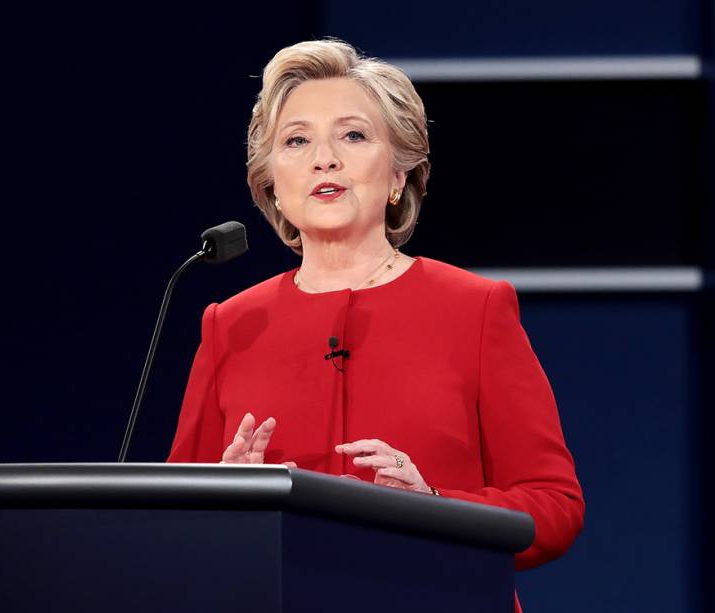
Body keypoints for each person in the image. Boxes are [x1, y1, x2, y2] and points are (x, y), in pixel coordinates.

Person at [166, 39, 584, 611]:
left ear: (398, 173)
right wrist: (223, 494)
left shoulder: (476, 307)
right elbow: (170, 523)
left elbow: (554, 506)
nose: (324, 158)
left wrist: (434, 508)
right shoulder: (231, 324)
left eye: (353, 135)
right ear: (272, 187)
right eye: (296, 141)